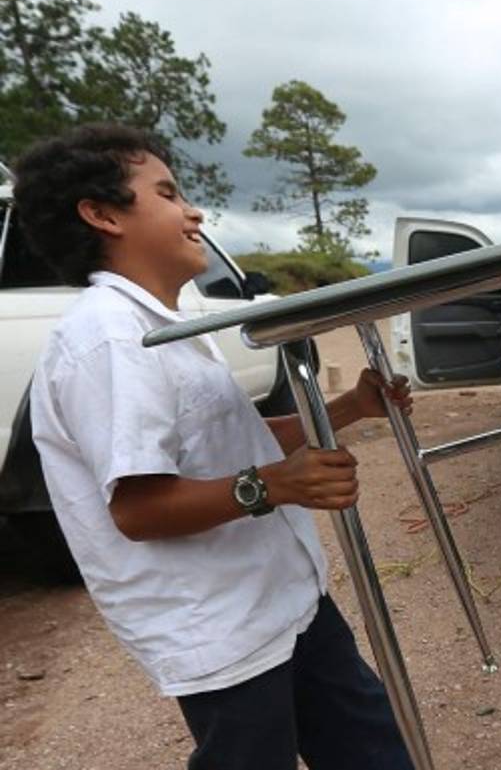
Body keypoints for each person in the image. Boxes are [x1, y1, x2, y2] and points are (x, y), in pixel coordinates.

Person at [17, 124, 417, 770]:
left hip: (287, 600)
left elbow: (231, 441)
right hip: (220, 628)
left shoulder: (166, 325)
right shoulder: (112, 338)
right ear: (101, 213)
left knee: (374, 749)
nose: (193, 210)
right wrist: (276, 485)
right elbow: (140, 508)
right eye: (168, 193)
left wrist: (348, 407)